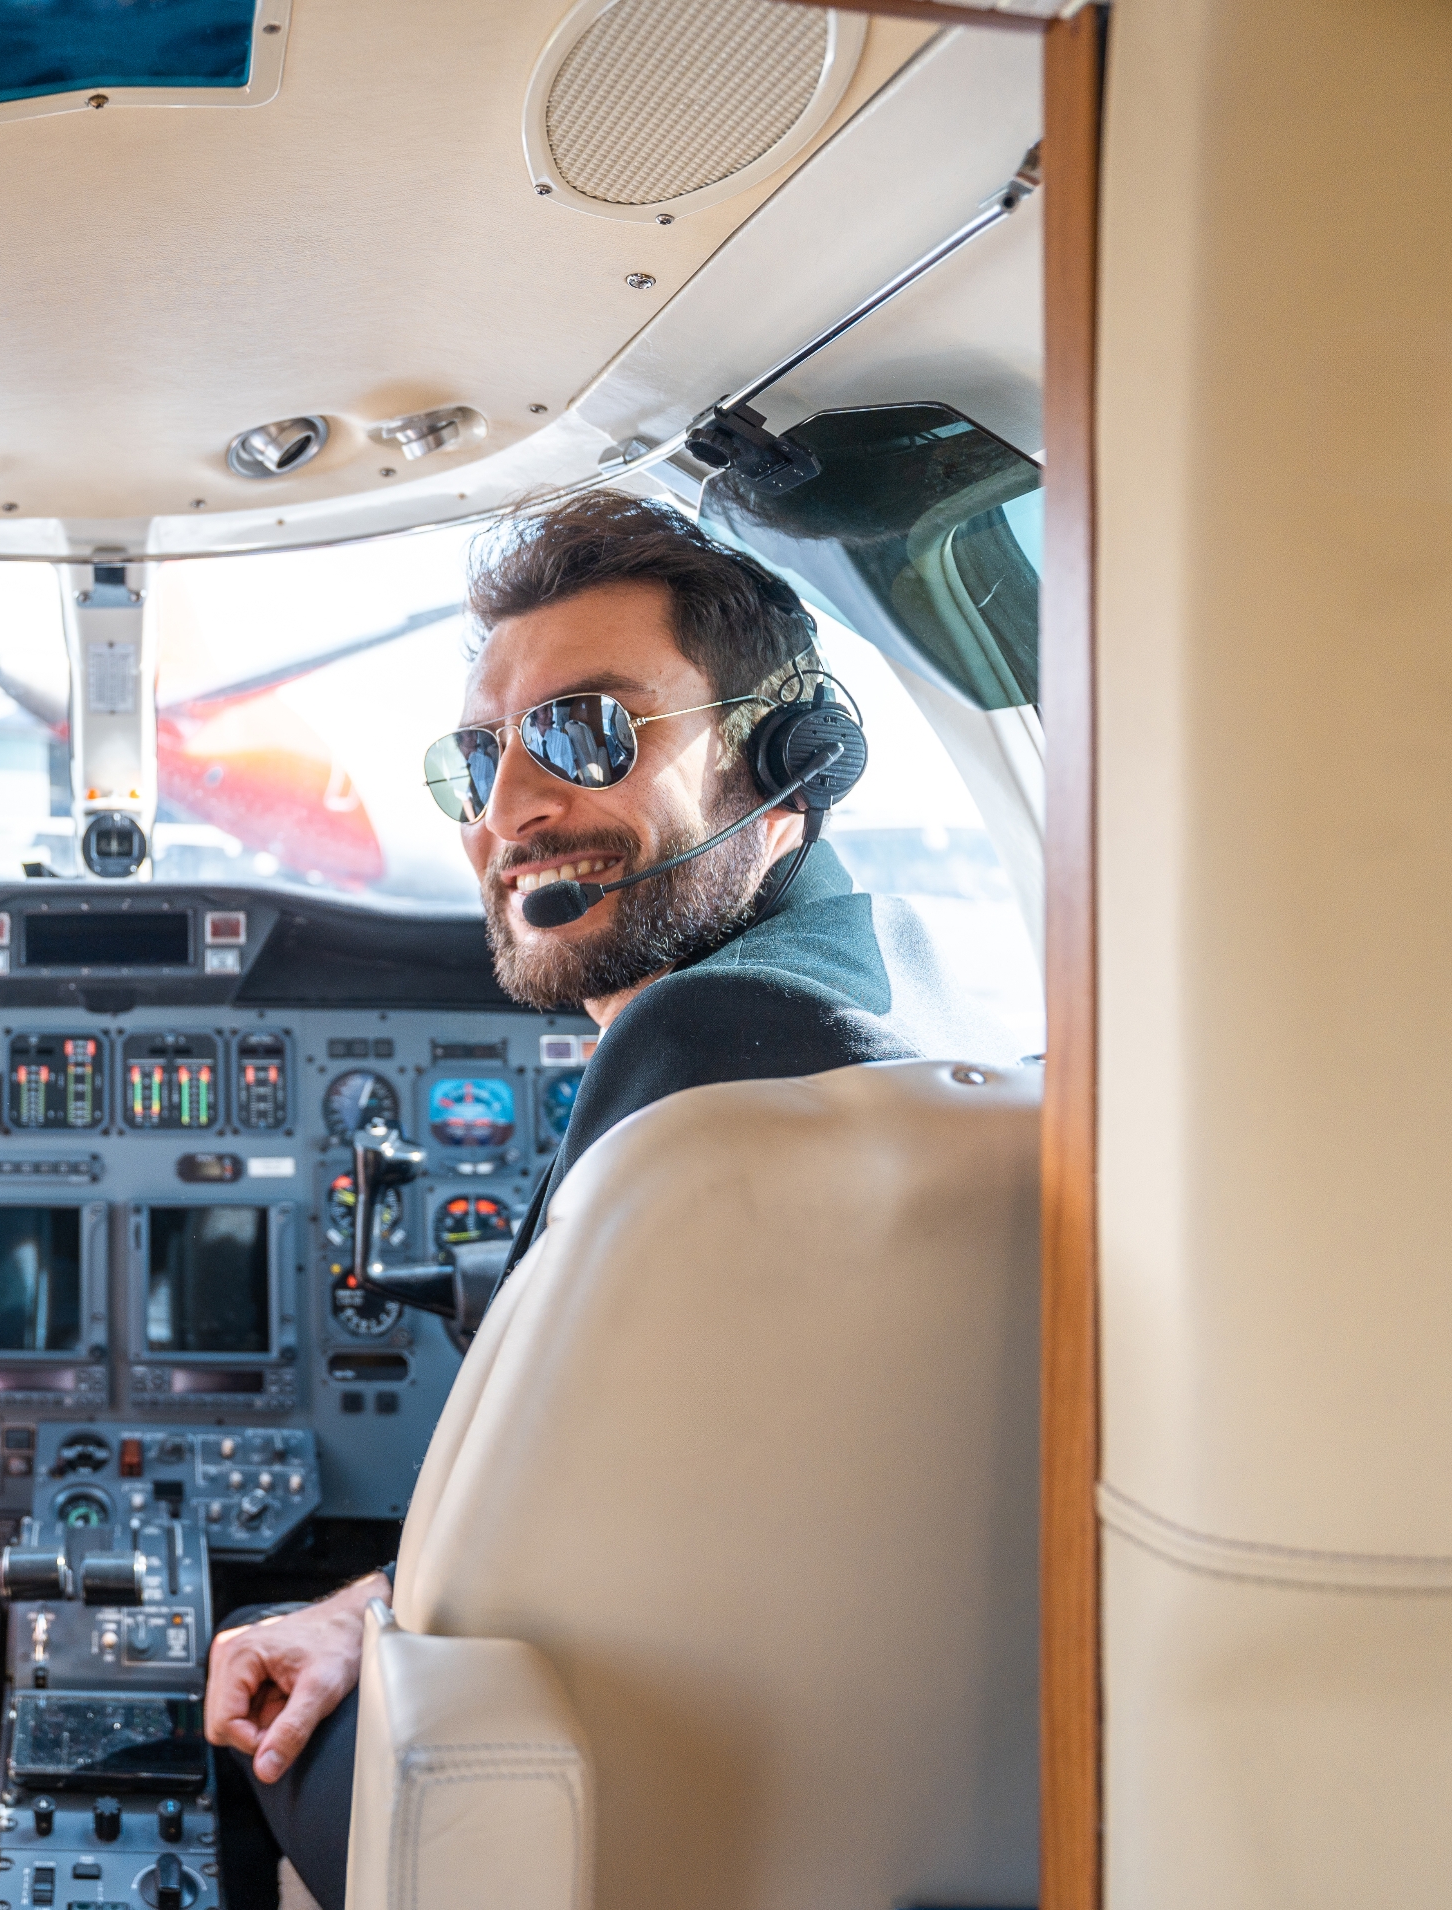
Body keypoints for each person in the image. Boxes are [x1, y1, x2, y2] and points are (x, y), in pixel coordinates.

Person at [204, 492, 1011, 1906]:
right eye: (477, 758)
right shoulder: (926, 1008)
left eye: (585, 731)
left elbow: (506, 1590)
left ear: (790, 761)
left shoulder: (701, 1064)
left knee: (242, 1674)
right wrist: (369, 1603)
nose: (508, 810)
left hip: (617, 1816)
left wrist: (335, 1618)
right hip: (911, 1806)